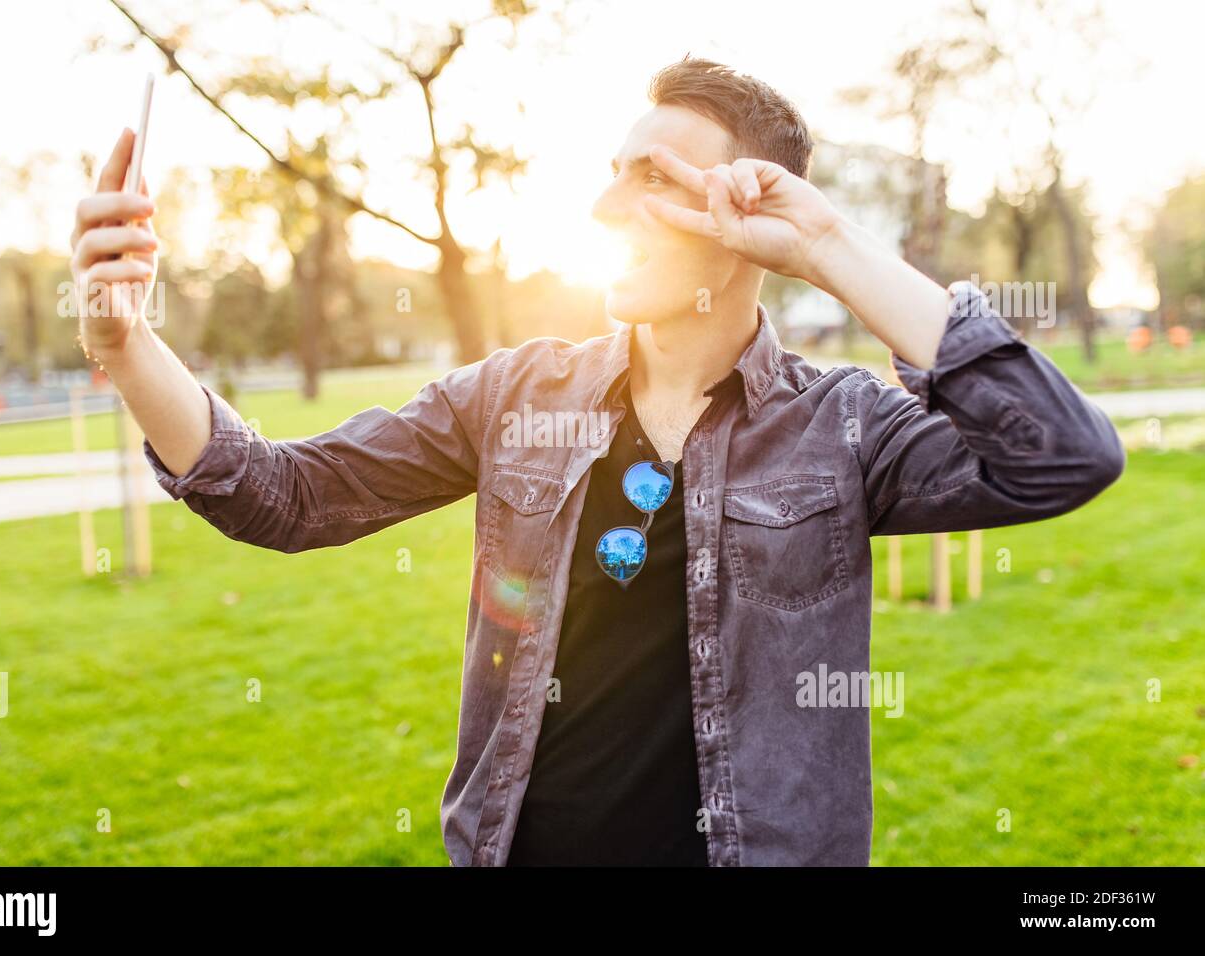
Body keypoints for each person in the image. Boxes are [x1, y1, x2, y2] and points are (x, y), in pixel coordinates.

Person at [68, 56, 1124, 866]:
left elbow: (1061, 455)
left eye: (653, 180)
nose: (608, 207)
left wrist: (826, 247)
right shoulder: (515, 395)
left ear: (750, 211)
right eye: (613, 176)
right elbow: (282, 497)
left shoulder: (840, 425)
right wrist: (127, 345)